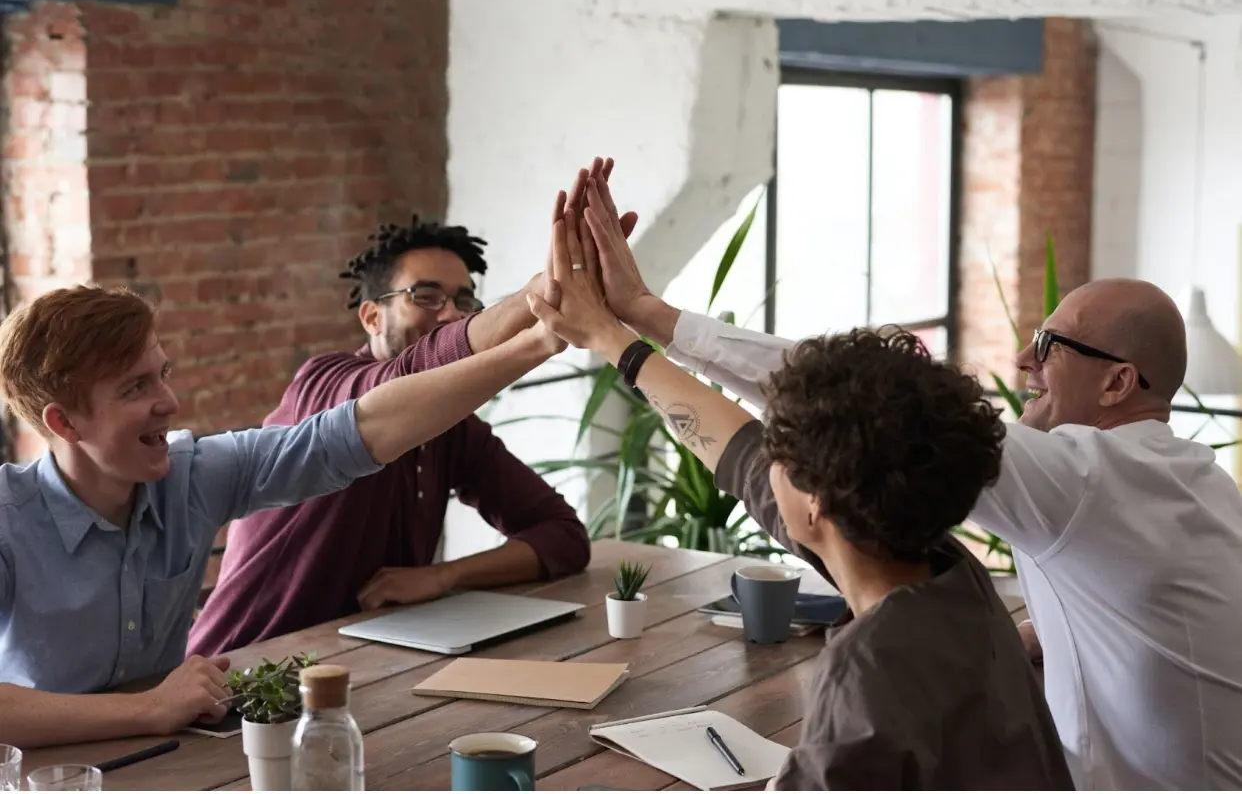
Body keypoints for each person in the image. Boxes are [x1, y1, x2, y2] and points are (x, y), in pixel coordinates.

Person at [578, 162, 1242, 789]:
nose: (1021, 358)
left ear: (1118, 381)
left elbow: (856, 402)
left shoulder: (1086, 481)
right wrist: (1034, 640)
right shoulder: (1187, 483)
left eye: (1047, 345)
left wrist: (643, 321)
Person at [524, 195, 1072, 789]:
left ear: (818, 500)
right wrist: (615, 338)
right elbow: (738, 455)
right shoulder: (947, 572)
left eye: (778, 450)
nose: (764, 459)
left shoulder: (871, 672)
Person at [0, 259, 565, 748]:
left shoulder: (191, 476)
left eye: (162, 375)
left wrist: (539, 342)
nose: (168, 402)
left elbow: (358, 431)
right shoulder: (9, 517)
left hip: (174, 761)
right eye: (135, 388)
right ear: (64, 421)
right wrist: (148, 707)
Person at [190, 178, 636, 652]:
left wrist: (443, 576)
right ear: (371, 317)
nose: (450, 315)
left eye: (464, 301)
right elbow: (409, 376)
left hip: (371, 669)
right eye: (425, 296)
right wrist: (538, 298)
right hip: (242, 677)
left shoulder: (454, 428)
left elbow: (563, 537)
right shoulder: (325, 383)